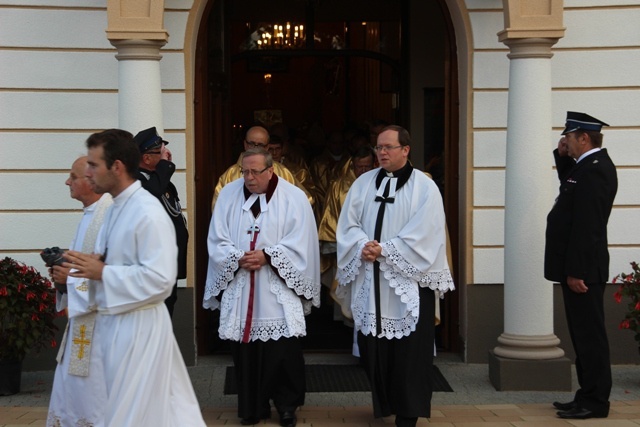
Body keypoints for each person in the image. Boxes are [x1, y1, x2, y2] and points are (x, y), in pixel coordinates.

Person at [60, 129, 206, 426]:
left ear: (116, 167)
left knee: (139, 417)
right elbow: (121, 261)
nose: (87, 172)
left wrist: (103, 271)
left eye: (93, 164)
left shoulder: (147, 212)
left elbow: (161, 280)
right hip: (118, 329)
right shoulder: (115, 209)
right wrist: (93, 264)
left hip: (142, 333)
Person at [335, 125, 454, 427]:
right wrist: (363, 245)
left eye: (388, 147)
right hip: (372, 279)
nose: (382, 153)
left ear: (406, 150)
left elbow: (426, 233)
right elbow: (347, 225)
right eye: (378, 148)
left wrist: (385, 250)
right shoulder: (362, 183)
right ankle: (385, 400)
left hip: (408, 284)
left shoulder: (424, 187)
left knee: (410, 354)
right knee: (375, 349)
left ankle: (408, 412)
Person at [204, 148, 321, 427]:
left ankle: (287, 406)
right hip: (242, 281)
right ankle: (252, 406)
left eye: (256, 171)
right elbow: (216, 237)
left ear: (271, 170)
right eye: (245, 171)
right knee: (245, 350)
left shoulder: (294, 198)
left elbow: (303, 239)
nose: (249, 177)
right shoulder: (229, 195)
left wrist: (269, 255)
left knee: (282, 350)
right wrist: (237, 257)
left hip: (277, 287)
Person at [545, 111, 617, 420]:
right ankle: (585, 395)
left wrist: (576, 271)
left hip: (584, 271)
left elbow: (588, 227)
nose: (565, 142)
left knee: (591, 338)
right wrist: (562, 158)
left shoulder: (596, 170)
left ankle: (596, 401)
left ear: (584, 138)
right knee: (582, 335)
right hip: (578, 268)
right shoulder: (586, 167)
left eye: (569, 138)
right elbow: (570, 188)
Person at [47, 156, 113, 426]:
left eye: (73, 177)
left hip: (103, 330)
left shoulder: (109, 216)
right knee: (71, 396)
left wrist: (70, 280)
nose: (67, 181)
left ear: (91, 181)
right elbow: (82, 267)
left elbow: (114, 274)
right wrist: (61, 278)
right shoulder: (89, 216)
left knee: (96, 401)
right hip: (81, 325)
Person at [133, 126, 189, 317]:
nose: (166, 155)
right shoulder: (136, 181)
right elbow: (152, 194)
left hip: (168, 265)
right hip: (153, 268)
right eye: (160, 152)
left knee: (167, 311)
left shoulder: (161, 179)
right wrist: (166, 167)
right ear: (146, 158)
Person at [318, 147, 375, 310]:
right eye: (359, 167)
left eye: (367, 167)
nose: (363, 171)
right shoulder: (339, 185)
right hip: (348, 246)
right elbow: (331, 215)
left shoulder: (380, 184)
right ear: (352, 165)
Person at [211, 125, 313, 209]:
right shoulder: (230, 175)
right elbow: (218, 209)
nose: (255, 148)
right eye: (251, 144)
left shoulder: (283, 172)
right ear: (245, 144)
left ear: (267, 147)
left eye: (260, 145)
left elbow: (305, 201)